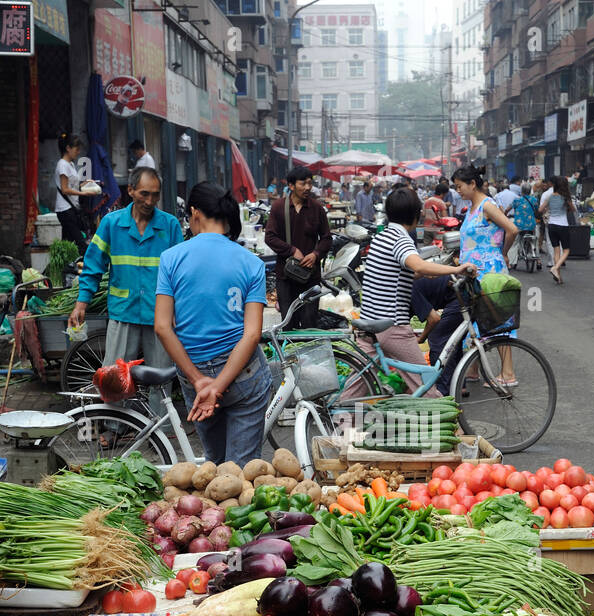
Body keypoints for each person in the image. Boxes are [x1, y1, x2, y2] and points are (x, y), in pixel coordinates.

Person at [154, 183, 271, 465]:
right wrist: (218, 386)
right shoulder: (251, 263)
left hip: (195, 377)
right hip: (242, 375)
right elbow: (252, 334)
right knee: (239, 476)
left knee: (213, 467)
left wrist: (200, 381)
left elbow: (162, 327)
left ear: (194, 213)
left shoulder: (171, 259)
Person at [70, 167, 184, 417]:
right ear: (130, 191)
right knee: (114, 375)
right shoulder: (112, 224)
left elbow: (181, 273)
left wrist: (180, 308)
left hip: (160, 315)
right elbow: (93, 265)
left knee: (161, 374)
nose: (150, 201)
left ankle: (161, 427)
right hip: (124, 312)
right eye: (144, 193)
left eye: (155, 195)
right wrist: (82, 302)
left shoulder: (169, 225)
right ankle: (113, 425)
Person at [344, 186, 475, 400]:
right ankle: (452, 431)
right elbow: (418, 265)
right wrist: (456, 269)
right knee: (425, 386)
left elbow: (397, 274)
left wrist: (426, 273)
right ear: (415, 214)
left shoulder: (382, 236)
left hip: (369, 323)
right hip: (391, 327)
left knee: (355, 389)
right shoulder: (401, 238)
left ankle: (338, 425)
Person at [454, 164, 520, 386]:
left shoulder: (487, 206)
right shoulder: (472, 208)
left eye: (460, 186)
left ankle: (508, 373)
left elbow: (512, 230)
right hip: (474, 273)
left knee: (498, 320)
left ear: (473, 184)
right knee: (474, 319)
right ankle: (472, 368)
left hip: (490, 271)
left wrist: (500, 253)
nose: (458, 191)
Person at [265, 166, 331, 330]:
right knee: (287, 323)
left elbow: (326, 238)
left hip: (311, 277)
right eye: (303, 183)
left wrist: (315, 255)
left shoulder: (317, 209)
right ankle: (289, 356)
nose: (308, 187)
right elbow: (270, 237)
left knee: (310, 323)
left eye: (310, 183)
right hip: (286, 277)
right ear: (292, 186)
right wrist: (292, 250)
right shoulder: (279, 207)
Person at [54, 132, 88, 247]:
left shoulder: (71, 164)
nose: (78, 153)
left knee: (67, 244)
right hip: (65, 209)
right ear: (68, 148)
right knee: (80, 243)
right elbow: (65, 189)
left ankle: (63, 264)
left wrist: (87, 184)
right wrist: (83, 193)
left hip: (71, 208)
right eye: (76, 149)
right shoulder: (62, 165)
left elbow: (74, 186)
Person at [540, 175, 574, 284]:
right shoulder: (565, 197)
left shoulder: (549, 196)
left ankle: (558, 276)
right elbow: (573, 209)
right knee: (566, 250)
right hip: (562, 225)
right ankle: (556, 268)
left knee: (556, 250)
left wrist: (549, 208)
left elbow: (540, 209)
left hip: (551, 225)